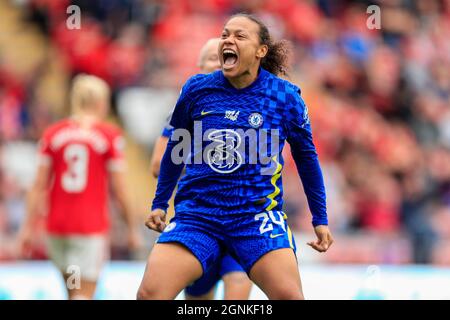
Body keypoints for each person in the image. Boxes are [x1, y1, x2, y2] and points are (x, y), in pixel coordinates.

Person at [138, 13, 333, 300]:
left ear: (260, 51)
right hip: (199, 215)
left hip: (256, 217)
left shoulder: (285, 96)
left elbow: (307, 160)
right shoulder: (197, 89)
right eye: (225, 34)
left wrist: (320, 217)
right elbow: (174, 151)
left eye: (240, 36)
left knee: (290, 297)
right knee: (149, 295)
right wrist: (159, 203)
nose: (228, 40)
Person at [18, 74, 141, 300]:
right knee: (83, 293)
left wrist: (26, 227)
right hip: (89, 228)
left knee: (73, 289)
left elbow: (38, 185)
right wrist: (132, 227)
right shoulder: (108, 136)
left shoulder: (52, 134)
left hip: (58, 228)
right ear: (100, 102)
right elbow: (120, 188)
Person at [149, 38, 253, 300]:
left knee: (238, 284)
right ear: (198, 67)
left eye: (224, 58)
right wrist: (203, 171)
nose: (219, 63)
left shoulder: (251, 105)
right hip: (199, 219)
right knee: (197, 297)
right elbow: (157, 164)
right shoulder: (186, 110)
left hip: (241, 217)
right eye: (211, 59)